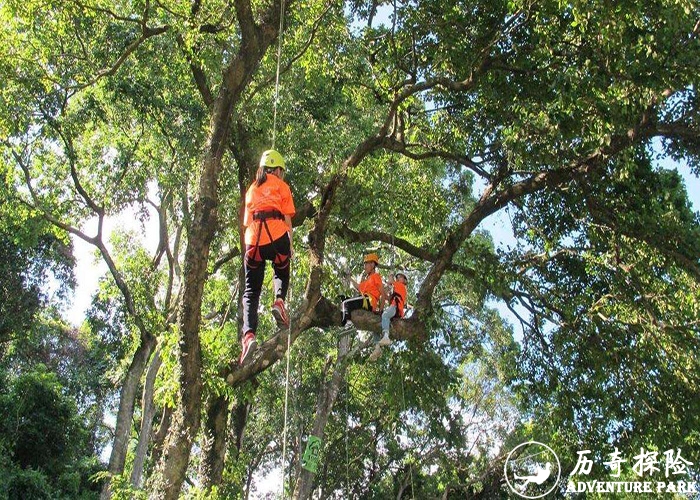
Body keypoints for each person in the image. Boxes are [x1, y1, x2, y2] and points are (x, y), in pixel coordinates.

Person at [240, 149, 296, 365]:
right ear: (279, 169)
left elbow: (247, 221)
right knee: (281, 267)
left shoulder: (252, 189)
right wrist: (289, 244)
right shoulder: (282, 186)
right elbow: (287, 219)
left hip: (253, 241)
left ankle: (248, 336)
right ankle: (279, 301)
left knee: (251, 290)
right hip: (277, 235)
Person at [369, 271, 408, 361]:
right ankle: (377, 347)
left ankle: (386, 336)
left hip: (396, 308)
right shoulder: (396, 290)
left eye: (400, 277)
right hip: (394, 308)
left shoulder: (401, 286)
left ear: (405, 281)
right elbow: (387, 298)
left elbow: (390, 281)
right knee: (375, 325)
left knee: (385, 315)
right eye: (397, 276)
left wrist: (391, 275)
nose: (398, 278)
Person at [340, 253, 384, 329]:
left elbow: (383, 294)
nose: (365, 267)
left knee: (346, 303)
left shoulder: (376, 276)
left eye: (366, 264)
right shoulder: (367, 280)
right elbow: (358, 286)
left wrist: (380, 311)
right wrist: (349, 278)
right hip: (365, 300)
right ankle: (348, 321)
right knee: (345, 300)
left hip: (369, 300)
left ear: (373, 264)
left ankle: (347, 323)